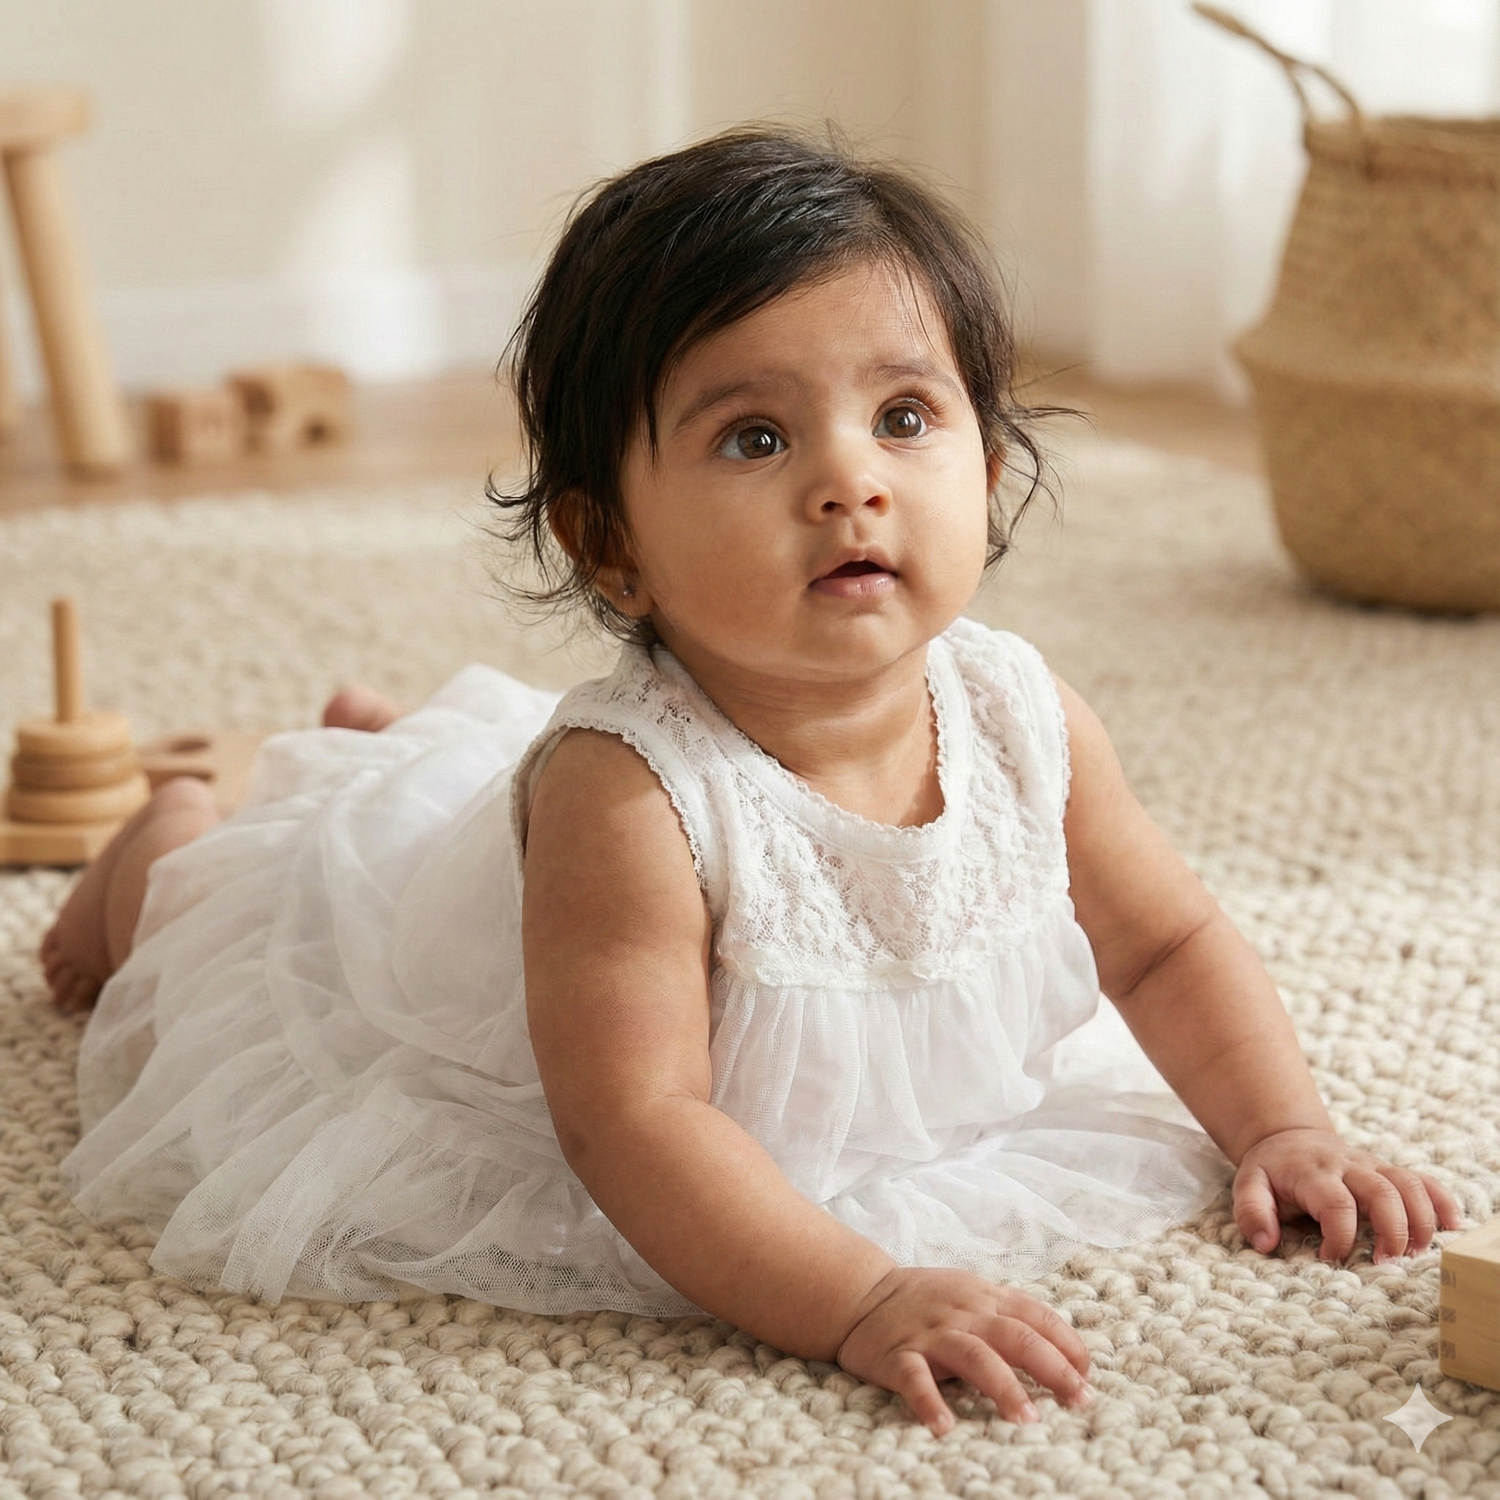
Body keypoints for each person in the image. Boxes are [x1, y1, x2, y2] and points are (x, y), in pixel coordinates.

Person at [42, 127, 1463, 1436]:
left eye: (906, 417)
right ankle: (168, 828)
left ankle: (396, 737)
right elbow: (635, 1120)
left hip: (637, 885)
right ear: (609, 547)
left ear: (995, 460)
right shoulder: (627, 802)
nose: (851, 481)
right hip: (439, 984)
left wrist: (1286, 1127)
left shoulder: (1025, 714)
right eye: (756, 438)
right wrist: (857, 1296)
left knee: (437, 769)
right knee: (228, 915)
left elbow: (1167, 940)